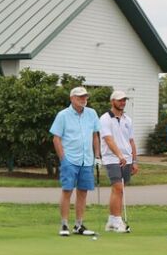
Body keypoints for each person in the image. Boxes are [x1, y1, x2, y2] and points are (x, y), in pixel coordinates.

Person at [49, 86, 103, 236]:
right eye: (80, 97)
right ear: (72, 98)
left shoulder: (91, 114)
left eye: (85, 97)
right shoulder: (63, 115)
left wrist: (97, 156)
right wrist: (63, 159)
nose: (83, 99)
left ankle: (78, 225)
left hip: (87, 160)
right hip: (70, 159)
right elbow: (56, 138)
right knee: (67, 191)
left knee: (83, 192)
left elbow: (95, 136)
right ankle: (64, 225)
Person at [98, 92, 138, 233]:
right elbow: (108, 139)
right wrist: (119, 155)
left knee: (119, 190)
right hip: (111, 158)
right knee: (118, 188)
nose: (122, 102)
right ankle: (117, 220)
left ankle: (111, 220)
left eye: (124, 100)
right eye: (120, 100)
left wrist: (134, 160)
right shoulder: (105, 119)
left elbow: (131, 140)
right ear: (112, 101)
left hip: (126, 158)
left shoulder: (128, 119)